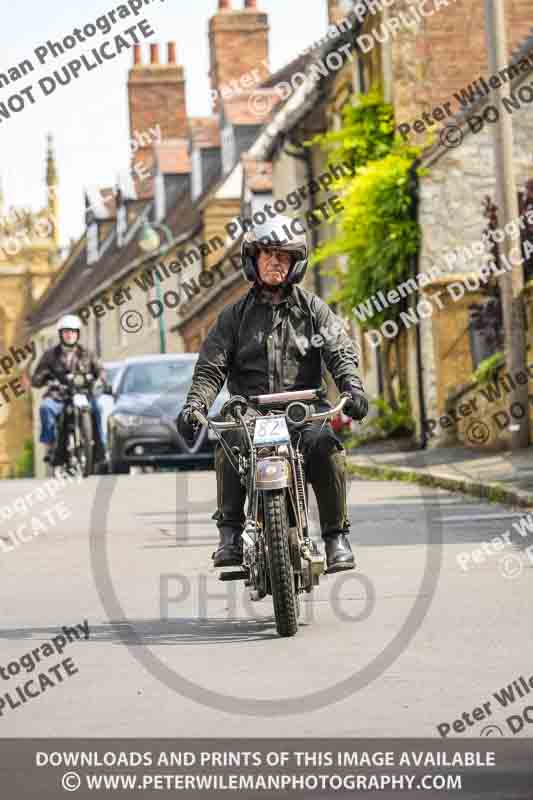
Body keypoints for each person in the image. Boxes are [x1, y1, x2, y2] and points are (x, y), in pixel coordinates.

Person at [177, 215, 368, 573]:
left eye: (284, 255)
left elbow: (339, 351)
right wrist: (194, 405)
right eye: (267, 253)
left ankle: (335, 537)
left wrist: (352, 386)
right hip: (251, 414)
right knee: (228, 439)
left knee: (327, 447)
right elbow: (211, 367)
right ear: (253, 259)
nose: (275, 261)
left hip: (303, 411)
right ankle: (229, 534)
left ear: (296, 262)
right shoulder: (232, 318)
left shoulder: (313, 311)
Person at [31, 314, 106, 465]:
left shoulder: (87, 353)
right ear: (61, 334)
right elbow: (37, 377)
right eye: (66, 332)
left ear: (77, 334)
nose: (70, 335)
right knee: (46, 408)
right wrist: (42, 378)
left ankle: (100, 447)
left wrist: (100, 380)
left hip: (84, 393)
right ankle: (50, 445)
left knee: (98, 408)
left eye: (73, 331)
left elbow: (100, 370)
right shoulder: (50, 355)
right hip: (59, 395)